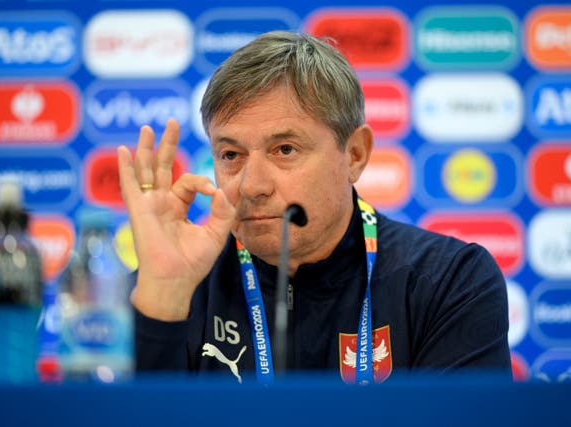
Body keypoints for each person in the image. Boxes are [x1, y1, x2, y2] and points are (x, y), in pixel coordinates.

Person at [116, 31, 511, 384]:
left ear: (354, 154)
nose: (251, 186)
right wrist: (163, 301)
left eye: (285, 150)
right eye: (231, 154)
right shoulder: (169, 285)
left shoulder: (447, 281)